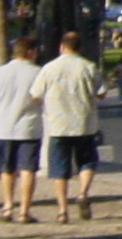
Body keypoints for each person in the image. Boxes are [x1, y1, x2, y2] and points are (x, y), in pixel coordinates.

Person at [29, 31, 103, 223]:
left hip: (58, 125)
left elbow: (36, 94)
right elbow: (101, 93)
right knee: (87, 161)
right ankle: (83, 193)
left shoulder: (49, 68)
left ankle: (62, 210)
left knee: (59, 169)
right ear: (80, 48)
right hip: (84, 123)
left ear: (61, 47)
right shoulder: (89, 67)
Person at [0, 37, 43, 221]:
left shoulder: (2, 72)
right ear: (31, 52)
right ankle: (25, 210)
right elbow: (40, 96)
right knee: (28, 169)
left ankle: (8, 206)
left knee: (6, 169)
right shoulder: (38, 72)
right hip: (28, 126)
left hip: (4, 126)